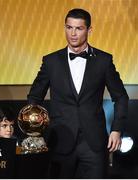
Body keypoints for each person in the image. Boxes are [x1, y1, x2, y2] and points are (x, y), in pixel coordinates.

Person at [27, 8, 129, 178]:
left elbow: (121, 97)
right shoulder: (51, 61)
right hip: (59, 141)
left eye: (78, 28)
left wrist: (117, 130)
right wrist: (34, 128)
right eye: (69, 27)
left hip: (94, 145)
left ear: (89, 30)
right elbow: (34, 96)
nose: (72, 33)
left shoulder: (103, 61)